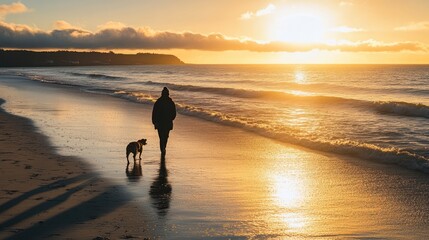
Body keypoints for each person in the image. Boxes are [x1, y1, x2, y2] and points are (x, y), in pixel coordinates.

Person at [152, 87, 176, 156]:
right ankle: (163, 148)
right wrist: (171, 119)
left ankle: (162, 148)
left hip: (160, 123)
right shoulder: (170, 102)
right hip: (167, 123)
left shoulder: (158, 102)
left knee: (162, 137)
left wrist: (154, 122)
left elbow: (154, 113)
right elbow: (174, 114)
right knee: (165, 136)